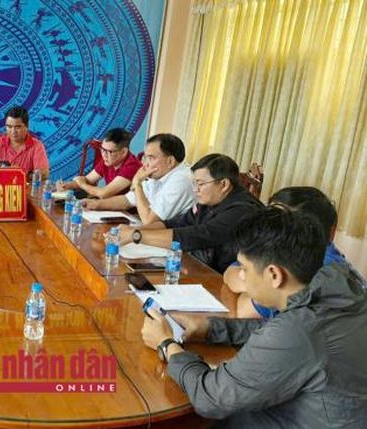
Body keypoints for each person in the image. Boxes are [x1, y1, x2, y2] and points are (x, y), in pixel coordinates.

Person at [141, 206, 367, 427]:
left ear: (274, 274)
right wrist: (209, 328)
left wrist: (167, 345)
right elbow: (274, 329)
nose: (241, 276)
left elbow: (210, 398)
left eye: (244, 269)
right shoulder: (336, 281)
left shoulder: (299, 330)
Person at [225, 186, 359, 318]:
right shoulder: (274, 249)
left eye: (277, 222)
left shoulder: (321, 267)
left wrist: (251, 284)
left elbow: (243, 311)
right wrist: (254, 282)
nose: (265, 227)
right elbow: (229, 274)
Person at [120, 153, 262, 272]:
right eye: (194, 184)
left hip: (226, 278)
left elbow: (197, 236)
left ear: (223, 184)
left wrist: (136, 236)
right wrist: (134, 230)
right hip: (202, 267)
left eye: (200, 184)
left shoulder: (242, 210)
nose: (195, 190)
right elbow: (176, 223)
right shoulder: (209, 200)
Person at [82, 133, 195, 224]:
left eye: (151, 158)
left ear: (170, 161)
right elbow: (128, 200)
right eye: (145, 157)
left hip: (176, 242)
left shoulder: (181, 180)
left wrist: (137, 183)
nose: (145, 164)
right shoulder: (158, 173)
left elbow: (149, 221)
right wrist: (96, 204)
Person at [57, 128, 141, 199]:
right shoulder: (108, 160)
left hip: (128, 212)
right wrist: (67, 185)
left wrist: (82, 184)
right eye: (102, 149)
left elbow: (104, 193)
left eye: (109, 151)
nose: (104, 155)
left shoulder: (132, 166)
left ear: (123, 152)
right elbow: (87, 180)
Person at [0, 106, 49, 178]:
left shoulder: (37, 146)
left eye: (18, 127)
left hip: (25, 185)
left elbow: (44, 174)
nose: (13, 131)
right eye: (9, 127)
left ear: (27, 126)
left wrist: (18, 173)